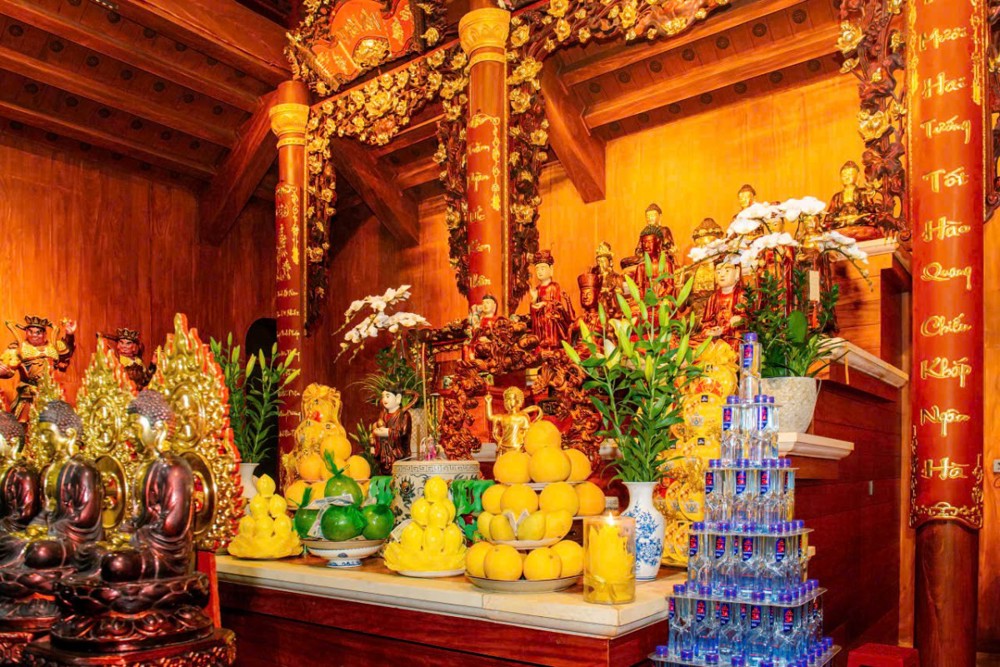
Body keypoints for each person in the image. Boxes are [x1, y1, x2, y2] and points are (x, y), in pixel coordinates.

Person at [0, 316, 76, 421]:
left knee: (56, 422)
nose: (34, 335)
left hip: (51, 394)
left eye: (38, 332)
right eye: (30, 332)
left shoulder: (53, 346)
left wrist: (69, 335)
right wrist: (3, 371)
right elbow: (8, 368)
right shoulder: (19, 348)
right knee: (24, 422)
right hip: (29, 395)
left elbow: (67, 351)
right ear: (26, 332)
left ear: (44, 334)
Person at [529, 250, 575, 349]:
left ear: (551, 269)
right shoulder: (537, 289)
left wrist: (545, 304)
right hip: (540, 323)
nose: (539, 271)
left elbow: (556, 304)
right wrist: (534, 299)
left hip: (550, 324)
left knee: (550, 321)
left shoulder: (554, 286)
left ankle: (551, 345)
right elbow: (533, 311)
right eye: (537, 269)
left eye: (543, 268)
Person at [484, 387, 542, 455]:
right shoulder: (503, 417)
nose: (508, 402)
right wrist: (488, 403)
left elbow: (527, 434)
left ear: (518, 401)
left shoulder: (522, 418)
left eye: (511, 399)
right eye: (506, 400)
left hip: (518, 448)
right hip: (503, 448)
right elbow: (490, 417)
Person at [372, 389, 412, 471]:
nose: (384, 399)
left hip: (397, 455)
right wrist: (375, 433)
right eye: (383, 397)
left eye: (387, 396)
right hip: (384, 454)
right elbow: (379, 427)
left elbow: (403, 434)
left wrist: (388, 432)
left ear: (398, 398)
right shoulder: (383, 415)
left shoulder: (404, 415)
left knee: (397, 471)